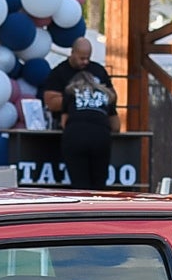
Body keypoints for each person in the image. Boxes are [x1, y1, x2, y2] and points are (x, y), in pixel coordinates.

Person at [46, 35, 120, 189]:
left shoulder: (98, 70)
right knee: (95, 184)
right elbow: (51, 102)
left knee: (85, 185)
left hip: (81, 134)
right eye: (81, 58)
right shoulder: (59, 73)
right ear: (72, 53)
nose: (85, 62)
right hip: (93, 135)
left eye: (88, 58)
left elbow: (112, 99)